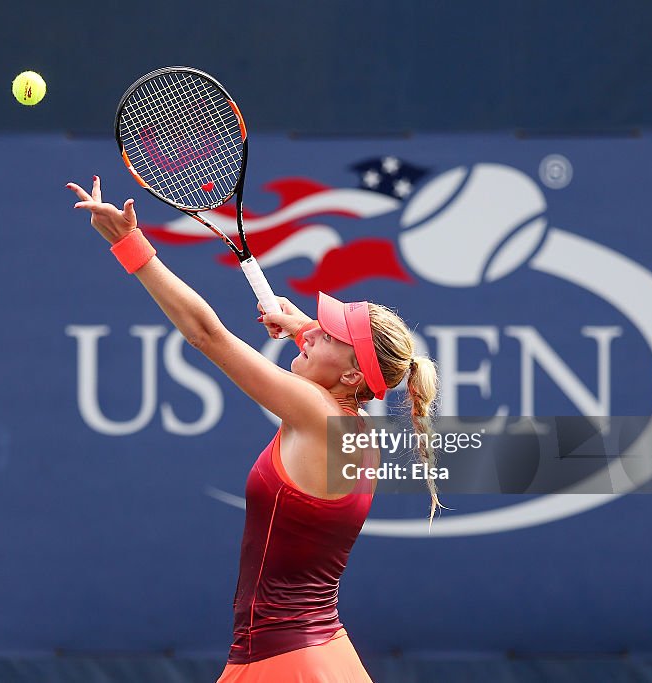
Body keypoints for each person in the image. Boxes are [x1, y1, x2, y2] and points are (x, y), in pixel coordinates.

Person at [66, 176, 441, 683]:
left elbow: (205, 335)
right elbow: (338, 367)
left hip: (282, 668)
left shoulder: (316, 413)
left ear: (353, 375)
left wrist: (130, 245)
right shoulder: (357, 430)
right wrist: (307, 331)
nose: (311, 336)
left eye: (327, 335)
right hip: (325, 660)